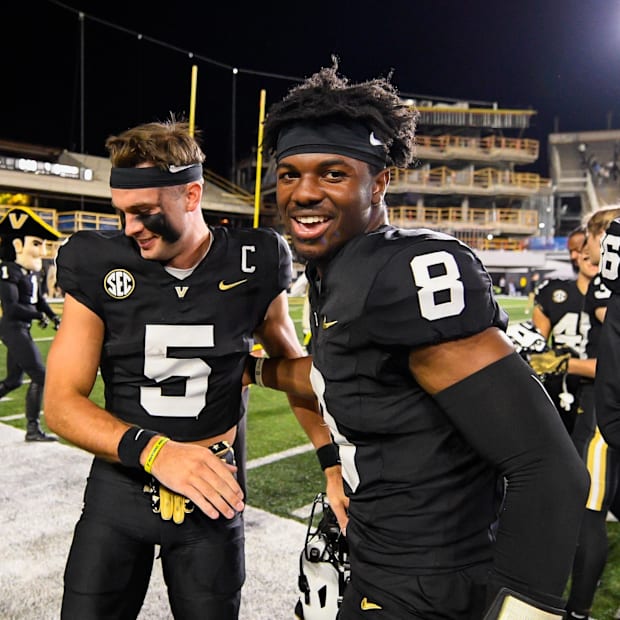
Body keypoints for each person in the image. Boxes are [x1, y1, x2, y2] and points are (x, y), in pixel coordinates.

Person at [246, 62, 590, 619]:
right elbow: (344, 374)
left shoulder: (403, 273)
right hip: (381, 560)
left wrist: (522, 612)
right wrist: (252, 370)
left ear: (379, 180)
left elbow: (549, 468)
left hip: (428, 581)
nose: (303, 193)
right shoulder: (339, 267)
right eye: (289, 174)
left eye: (332, 174)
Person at [43, 119, 337, 620]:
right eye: (122, 214)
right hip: (122, 487)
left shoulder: (254, 260)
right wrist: (157, 452)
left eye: (144, 212)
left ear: (193, 194)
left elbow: (293, 369)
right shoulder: (99, 262)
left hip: (214, 491)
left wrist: (331, 464)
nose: (130, 228)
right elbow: (61, 404)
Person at [0, 206, 61, 441]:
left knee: (14, 381)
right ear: (17, 246)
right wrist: (39, 316)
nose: (42, 250)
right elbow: (13, 307)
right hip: (12, 328)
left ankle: (33, 428)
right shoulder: (8, 270)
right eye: (36, 243)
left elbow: (39, 300)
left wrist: (52, 316)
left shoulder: (30, 272)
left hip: (21, 328)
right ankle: (33, 429)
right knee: (40, 375)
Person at [530, 242, 599, 433]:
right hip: (559, 390)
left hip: (600, 394)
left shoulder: (613, 301)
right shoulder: (553, 292)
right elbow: (536, 347)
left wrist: (563, 363)